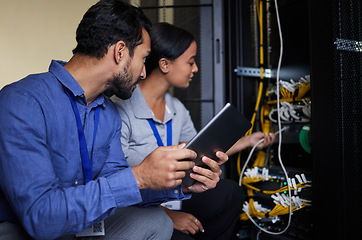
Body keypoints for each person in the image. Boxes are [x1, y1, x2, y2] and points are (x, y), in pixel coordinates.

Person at [0, 1, 228, 240]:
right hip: (30, 231)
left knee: (157, 221)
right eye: (143, 59)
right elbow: (41, 217)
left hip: (84, 227)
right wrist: (139, 175)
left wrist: (180, 183)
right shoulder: (21, 102)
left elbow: (120, 184)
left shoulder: (107, 113)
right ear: (120, 52)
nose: (142, 73)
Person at [112, 22, 275, 240]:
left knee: (230, 193)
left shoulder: (177, 108)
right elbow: (113, 183)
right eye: (190, 61)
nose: (196, 68)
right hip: (138, 206)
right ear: (165, 64)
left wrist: (248, 141)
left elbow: (200, 148)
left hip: (176, 193)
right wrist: (168, 215)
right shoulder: (121, 108)